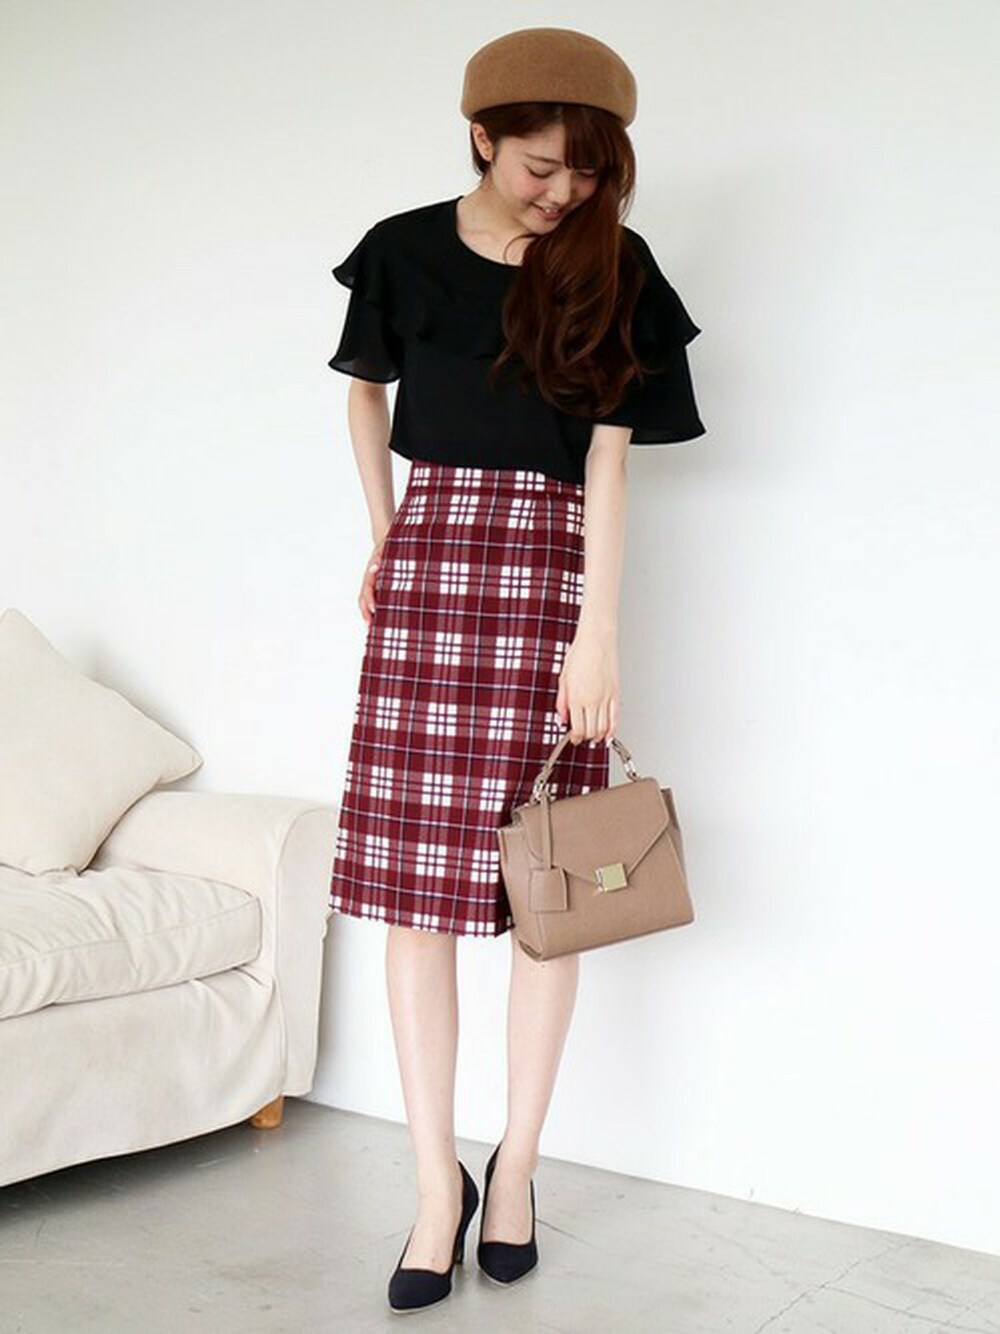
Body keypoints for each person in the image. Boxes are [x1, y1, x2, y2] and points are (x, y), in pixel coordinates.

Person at [325, 25, 706, 1315]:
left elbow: (610, 458)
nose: (565, 193)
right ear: (481, 137)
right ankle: (435, 1185)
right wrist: (386, 533)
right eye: (544, 166)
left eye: (589, 174)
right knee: (416, 899)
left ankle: (519, 1167)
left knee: (553, 883)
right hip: (432, 569)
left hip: (552, 576)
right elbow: (365, 391)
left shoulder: (616, 266)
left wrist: (600, 631)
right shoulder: (403, 250)